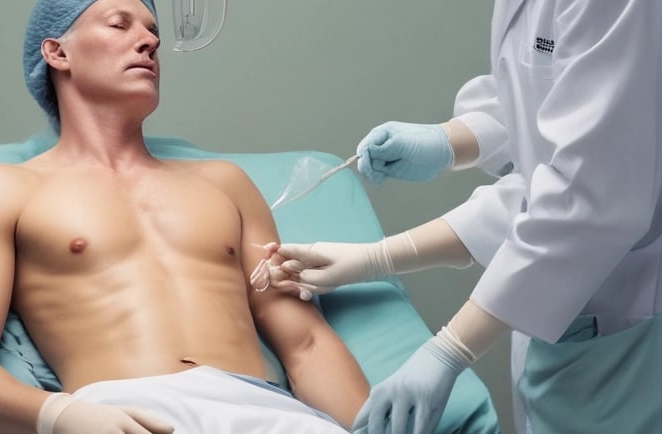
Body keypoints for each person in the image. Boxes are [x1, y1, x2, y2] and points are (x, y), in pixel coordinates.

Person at [0, 0, 370, 433]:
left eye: (153, 30)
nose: (148, 42)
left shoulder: (224, 183)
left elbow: (306, 344)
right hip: (123, 417)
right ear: (57, 52)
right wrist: (57, 417)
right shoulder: (2, 189)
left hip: (270, 412)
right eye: (120, 24)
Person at [262, 1, 662, 433]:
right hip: (575, 323)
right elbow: (535, 110)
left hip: (629, 324)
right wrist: (448, 141)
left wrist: (449, 349)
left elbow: (584, 204)